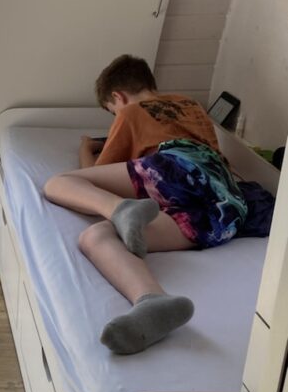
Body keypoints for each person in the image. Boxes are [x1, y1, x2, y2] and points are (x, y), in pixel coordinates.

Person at [43, 54, 247, 354]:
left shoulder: (131, 112)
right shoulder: (192, 106)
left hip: (176, 167)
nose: (116, 117)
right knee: (96, 236)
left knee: (58, 183)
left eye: (112, 112)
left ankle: (119, 208)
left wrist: (86, 148)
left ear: (118, 97)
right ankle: (152, 302)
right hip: (225, 207)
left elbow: (97, 174)